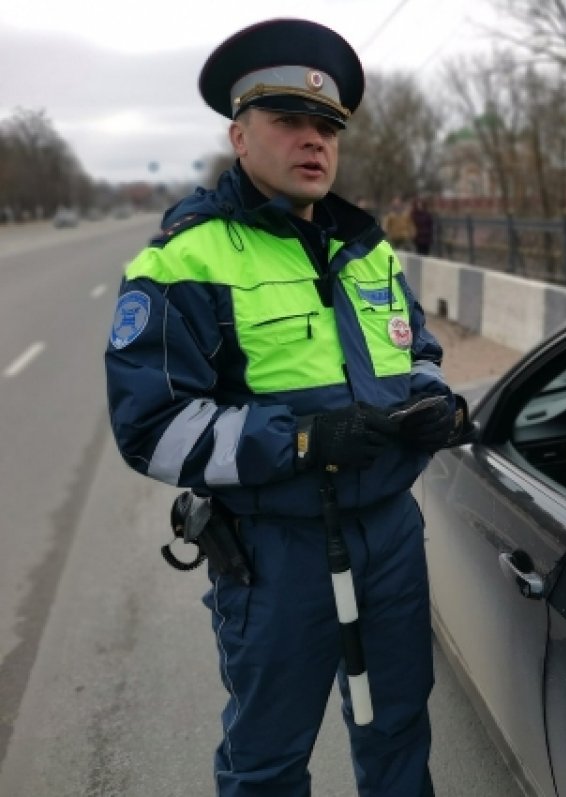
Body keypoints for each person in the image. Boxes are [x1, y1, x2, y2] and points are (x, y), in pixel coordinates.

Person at [104, 18, 465, 797]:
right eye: (289, 121)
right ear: (240, 136)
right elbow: (151, 429)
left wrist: (433, 401)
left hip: (389, 534)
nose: (314, 140)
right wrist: (300, 440)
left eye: (328, 125)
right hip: (278, 551)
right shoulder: (184, 259)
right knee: (267, 760)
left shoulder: (366, 248)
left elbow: (419, 353)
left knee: (398, 727)